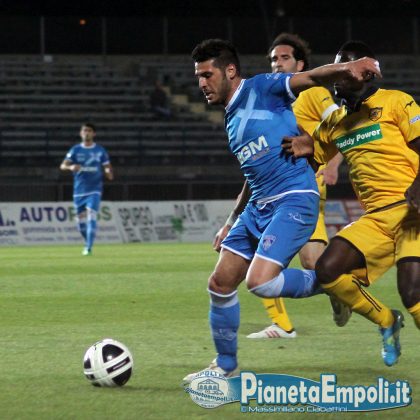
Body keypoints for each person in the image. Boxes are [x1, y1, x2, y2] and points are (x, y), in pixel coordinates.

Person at [183, 38, 381, 382]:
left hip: (293, 198)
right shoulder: (231, 119)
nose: (201, 83)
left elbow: (311, 78)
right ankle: (226, 367)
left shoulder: (262, 87)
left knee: (260, 282)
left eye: (207, 75)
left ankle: (334, 281)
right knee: (220, 283)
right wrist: (230, 221)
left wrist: (347, 68)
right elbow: (252, 176)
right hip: (259, 205)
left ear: (230, 71)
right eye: (198, 76)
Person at [282, 40, 420, 367]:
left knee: (412, 292)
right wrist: (295, 148)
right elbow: (311, 152)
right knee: (327, 270)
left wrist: (418, 186)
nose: (337, 76)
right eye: (336, 69)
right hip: (375, 220)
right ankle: (387, 320)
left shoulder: (397, 101)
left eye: (345, 69)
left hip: (411, 213)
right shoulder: (335, 123)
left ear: (366, 73)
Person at [213, 33, 347, 340]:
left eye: (284, 58)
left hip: (302, 189)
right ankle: (283, 323)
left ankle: (340, 287)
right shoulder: (266, 99)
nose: (277, 64)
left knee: (313, 264)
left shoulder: (311, 93)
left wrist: (329, 160)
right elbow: (257, 166)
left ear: (300, 64)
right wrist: (232, 219)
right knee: (260, 259)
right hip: (271, 193)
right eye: (273, 59)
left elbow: (342, 125)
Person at [60, 123, 114, 256]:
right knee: (80, 223)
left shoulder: (100, 150)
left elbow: (107, 166)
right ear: (81, 133)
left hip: (95, 189)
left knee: (91, 214)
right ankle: (87, 242)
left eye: (89, 131)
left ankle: (88, 248)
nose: (87, 133)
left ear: (94, 134)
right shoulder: (75, 150)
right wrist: (70, 167)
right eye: (84, 131)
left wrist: (108, 172)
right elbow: (62, 166)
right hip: (79, 191)